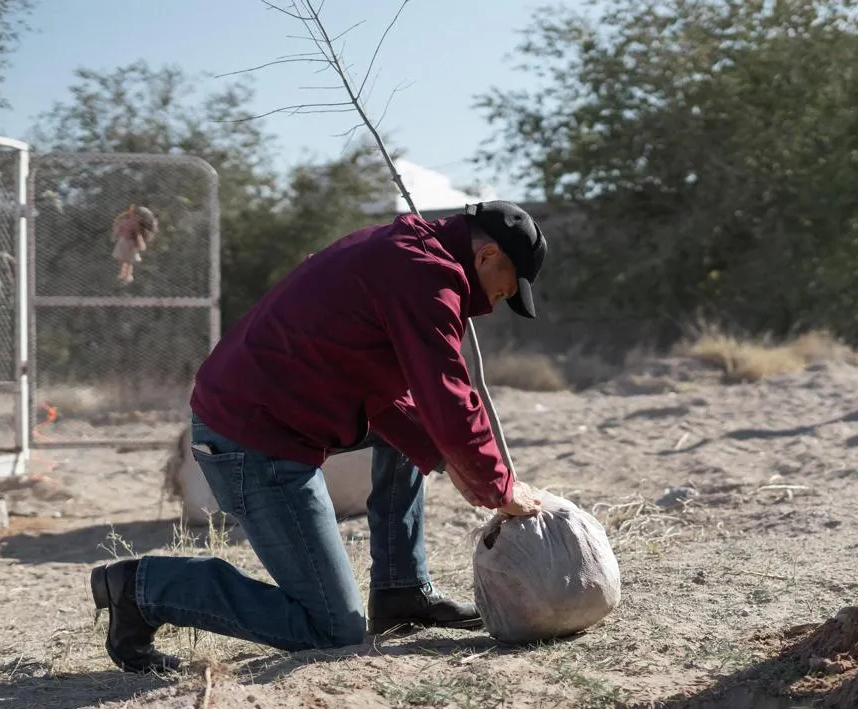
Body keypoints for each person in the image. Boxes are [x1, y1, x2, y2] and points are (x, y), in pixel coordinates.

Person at [90, 201, 549, 673]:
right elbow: (447, 395)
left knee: (419, 438)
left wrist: (446, 458)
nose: (494, 305)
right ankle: (143, 587)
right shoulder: (426, 276)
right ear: (488, 254)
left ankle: (401, 590)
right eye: (504, 291)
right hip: (255, 441)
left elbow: (380, 392)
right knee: (332, 629)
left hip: (270, 416)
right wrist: (499, 488)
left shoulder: (404, 251)